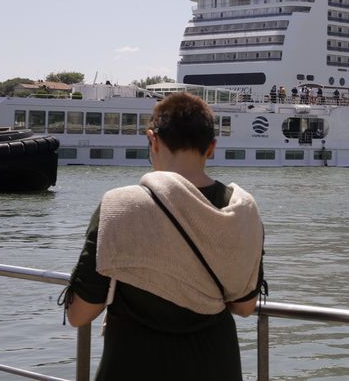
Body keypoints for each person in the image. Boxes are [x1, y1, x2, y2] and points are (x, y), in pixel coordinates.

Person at [62, 92, 266, 380]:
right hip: (215, 365)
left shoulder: (120, 205)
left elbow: (79, 314)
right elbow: (245, 306)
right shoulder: (241, 208)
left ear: (153, 139)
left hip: (132, 365)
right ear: (211, 148)